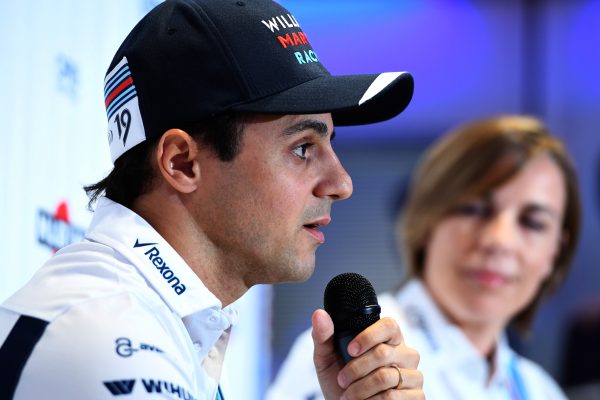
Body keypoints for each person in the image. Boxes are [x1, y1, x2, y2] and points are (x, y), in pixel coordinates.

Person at [0, 1, 424, 399]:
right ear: (182, 163)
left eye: (331, 143)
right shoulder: (108, 339)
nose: (342, 183)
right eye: (303, 148)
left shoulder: (165, 322)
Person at [268, 115, 582, 400]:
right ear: (426, 220)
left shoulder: (540, 390)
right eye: (474, 209)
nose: (499, 241)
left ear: (557, 250)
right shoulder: (355, 356)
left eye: (533, 223)